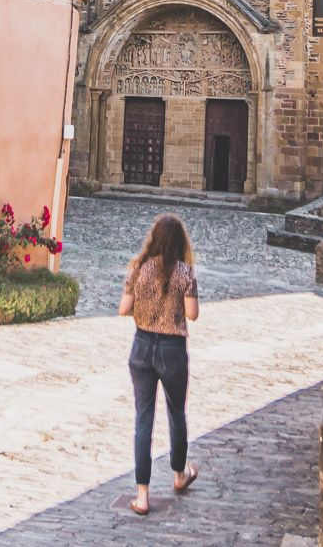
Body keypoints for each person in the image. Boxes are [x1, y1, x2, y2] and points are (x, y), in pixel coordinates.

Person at [118, 213, 200, 516]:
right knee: (176, 413)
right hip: (172, 348)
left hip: (141, 346)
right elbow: (192, 314)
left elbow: (123, 308)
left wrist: (142, 309)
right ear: (179, 242)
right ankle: (179, 475)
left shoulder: (139, 270)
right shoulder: (184, 273)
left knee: (143, 420)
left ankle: (142, 496)